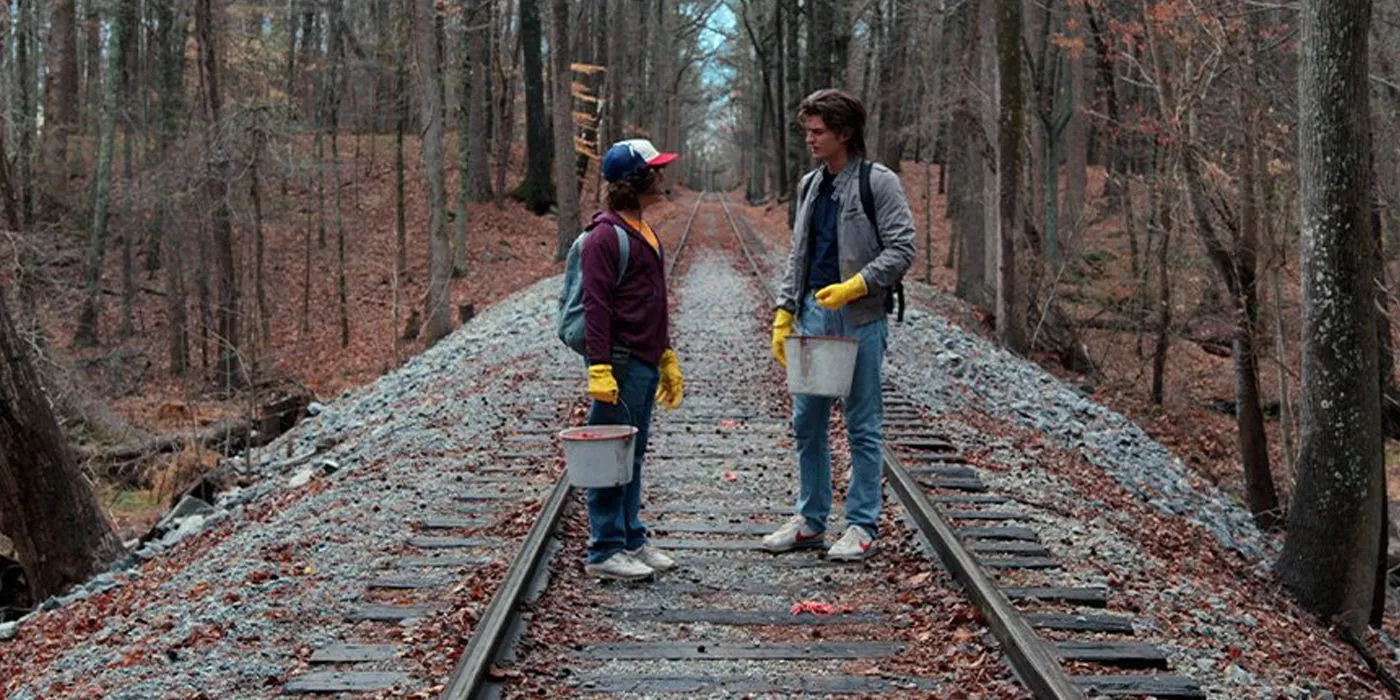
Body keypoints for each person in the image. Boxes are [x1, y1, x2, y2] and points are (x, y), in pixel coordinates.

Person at [761, 89, 915, 561]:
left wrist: (857, 285)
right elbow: (799, 252)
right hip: (813, 314)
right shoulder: (811, 184)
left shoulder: (878, 182)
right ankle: (810, 519)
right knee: (807, 419)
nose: (809, 138)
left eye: (818, 131)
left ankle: (861, 524)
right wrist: (786, 309)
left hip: (860, 316)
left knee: (862, 423)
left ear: (844, 133)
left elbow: (902, 249)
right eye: (807, 130)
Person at [580, 138, 684, 580]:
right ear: (636, 178)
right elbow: (595, 305)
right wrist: (599, 367)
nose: (662, 176)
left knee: (633, 454)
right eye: (655, 170)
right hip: (618, 365)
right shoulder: (605, 236)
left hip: (642, 360)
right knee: (610, 456)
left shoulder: (644, 230)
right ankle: (605, 548)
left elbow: (650, 302)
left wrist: (664, 354)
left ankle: (631, 537)